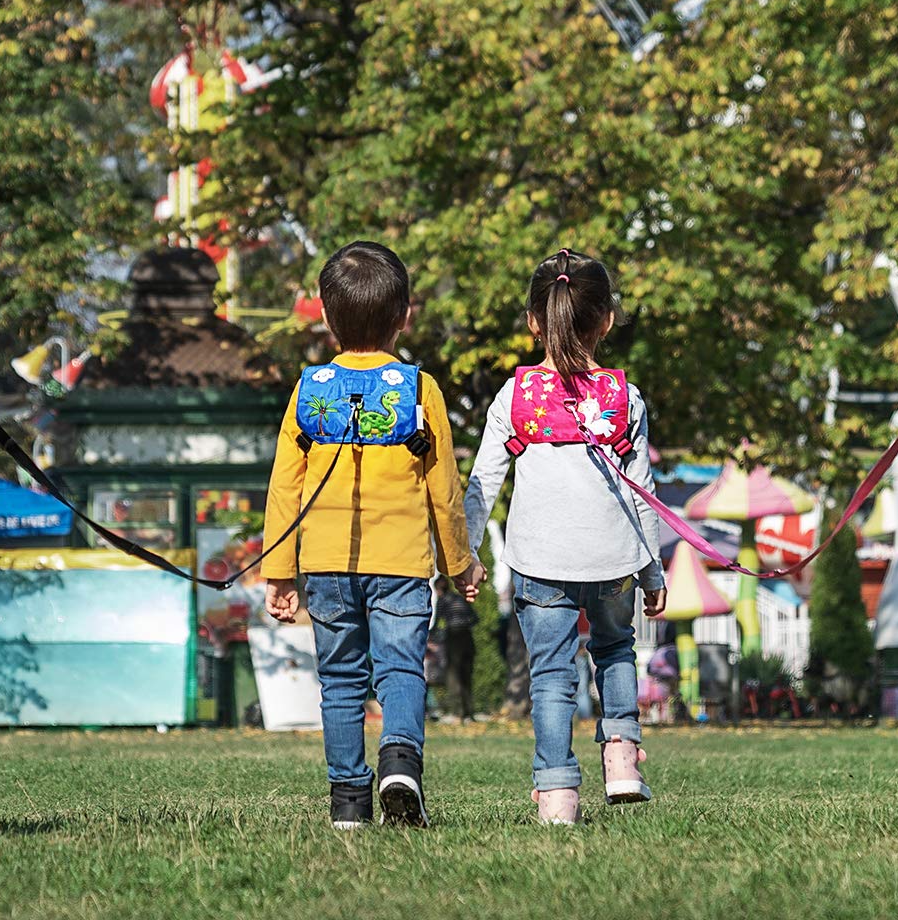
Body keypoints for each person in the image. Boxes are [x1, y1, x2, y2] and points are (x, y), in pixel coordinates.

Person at [261, 241, 483, 829]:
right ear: (405, 315)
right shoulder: (419, 389)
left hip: (327, 563)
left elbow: (285, 486)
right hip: (403, 564)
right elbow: (444, 487)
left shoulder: (308, 391)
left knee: (339, 680)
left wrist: (279, 571)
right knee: (401, 669)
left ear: (328, 318)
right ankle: (401, 761)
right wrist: (460, 561)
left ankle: (348, 804)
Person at [464, 250, 667, 825]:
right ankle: (623, 760)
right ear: (605, 320)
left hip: (541, 564)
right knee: (614, 652)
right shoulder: (624, 399)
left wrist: (466, 554)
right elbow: (641, 489)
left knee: (551, 676)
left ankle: (557, 795)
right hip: (613, 564)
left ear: (534, 321)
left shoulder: (516, 397)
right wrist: (653, 570)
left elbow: (482, 482)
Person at [432, 582, 477, 720]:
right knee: (466, 675)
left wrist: (433, 635)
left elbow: (438, 620)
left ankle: (458, 711)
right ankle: (469, 711)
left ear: (439, 589)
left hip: (454, 637)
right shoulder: (459, 598)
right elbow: (475, 618)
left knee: (454, 674)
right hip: (467, 637)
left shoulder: (443, 600)